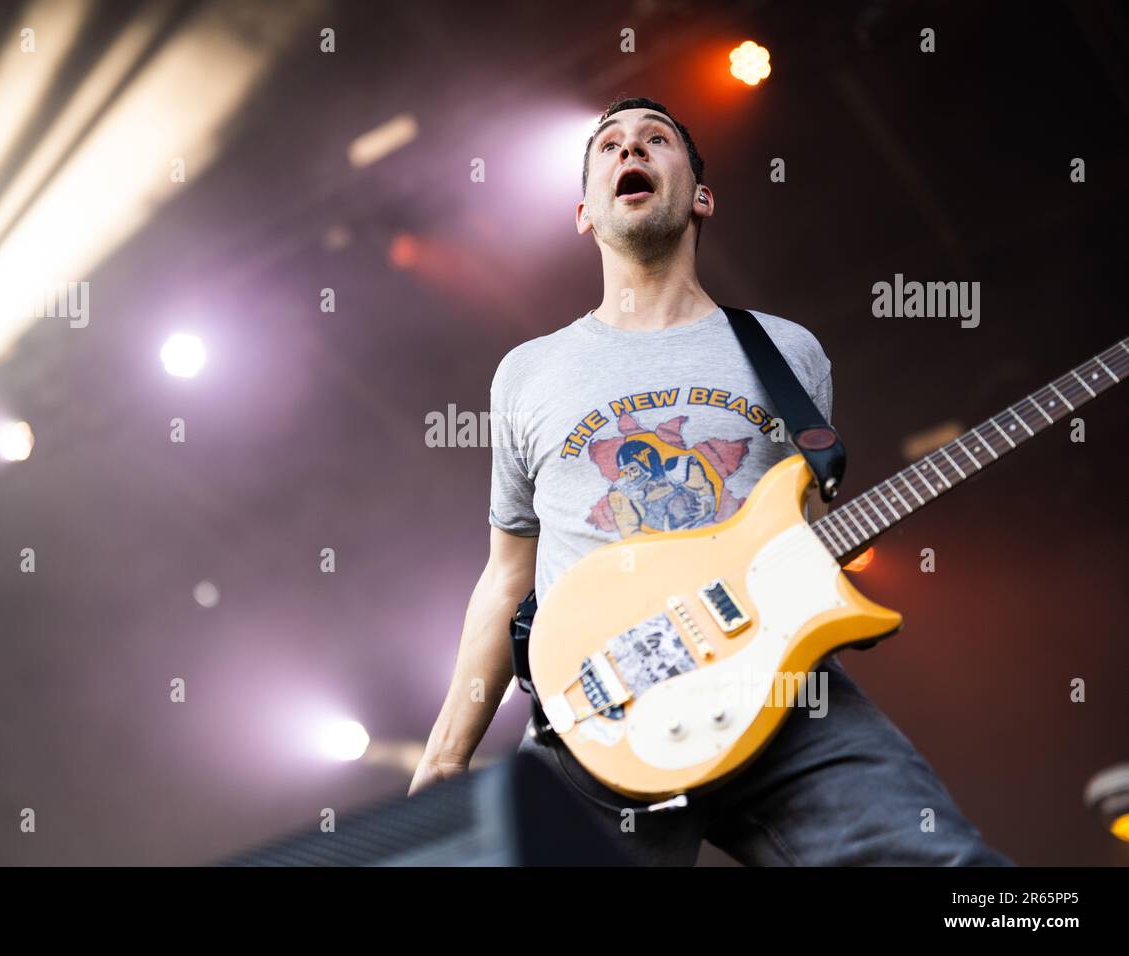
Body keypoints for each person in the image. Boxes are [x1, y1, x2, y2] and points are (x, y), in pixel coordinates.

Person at [409, 96, 1010, 866]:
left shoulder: (788, 351)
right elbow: (505, 578)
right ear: (584, 212)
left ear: (700, 195)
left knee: (955, 872)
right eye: (609, 145)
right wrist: (447, 756)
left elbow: (799, 529)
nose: (631, 148)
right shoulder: (528, 373)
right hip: (596, 711)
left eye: (655, 140)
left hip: (779, 693)